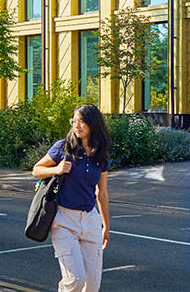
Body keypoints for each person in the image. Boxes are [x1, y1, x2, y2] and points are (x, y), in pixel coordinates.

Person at [32, 104, 111, 292]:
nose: (77, 126)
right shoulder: (63, 147)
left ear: (93, 124)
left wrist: (106, 226)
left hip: (91, 221)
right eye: (74, 121)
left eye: (82, 122)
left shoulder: (101, 155)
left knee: (91, 287)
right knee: (75, 281)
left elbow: (102, 192)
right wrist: (56, 169)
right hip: (64, 221)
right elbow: (36, 170)